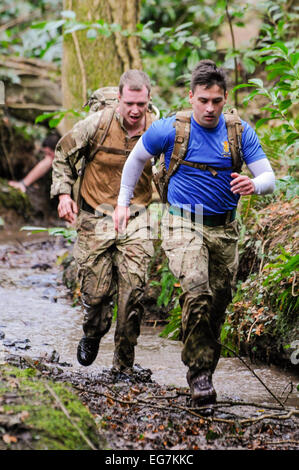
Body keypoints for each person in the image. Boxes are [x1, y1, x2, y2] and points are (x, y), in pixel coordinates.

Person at [114, 60, 275, 407]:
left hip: (225, 229)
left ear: (225, 98)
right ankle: (199, 375)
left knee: (217, 305)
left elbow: (269, 177)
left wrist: (254, 184)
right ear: (191, 97)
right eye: (203, 100)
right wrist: (123, 203)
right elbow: (136, 158)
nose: (209, 108)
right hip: (182, 221)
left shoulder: (238, 132)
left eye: (216, 101)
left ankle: (205, 368)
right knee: (197, 289)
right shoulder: (170, 128)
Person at [51, 70, 158, 374]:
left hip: (136, 217)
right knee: (96, 294)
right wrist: (62, 195)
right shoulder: (95, 125)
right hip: (94, 214)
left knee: (132, 294)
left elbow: (169, 170)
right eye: (129, 104)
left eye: (141, 104)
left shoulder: (157, 130)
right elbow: (62, 155)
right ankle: (93, 331)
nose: (135, 111)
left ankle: (123, 366)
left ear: (149, 100)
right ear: (119, 101)